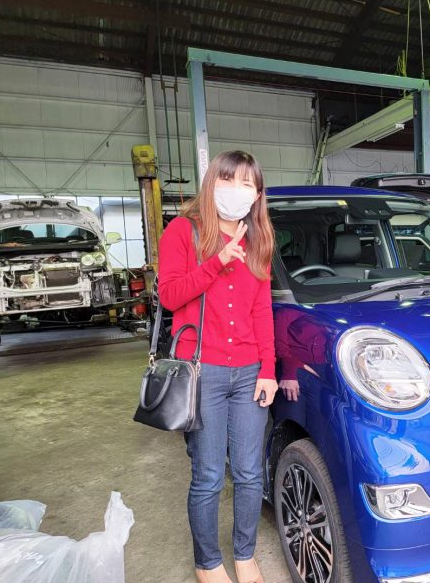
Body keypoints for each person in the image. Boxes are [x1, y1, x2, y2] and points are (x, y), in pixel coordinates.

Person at [158, 150, 278, 583]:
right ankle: (207, 563)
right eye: (229, 180)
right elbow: (170, 296)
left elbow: (262, 309)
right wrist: (218, 262)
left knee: (249, 473)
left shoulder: (259, 239)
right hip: (202, 372)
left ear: (257, 194)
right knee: (208, 475)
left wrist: (269, 368)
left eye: (248, 183)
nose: (238, 190)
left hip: (249, 371)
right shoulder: (182, 231)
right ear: (212, 183)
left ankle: (244, 556)